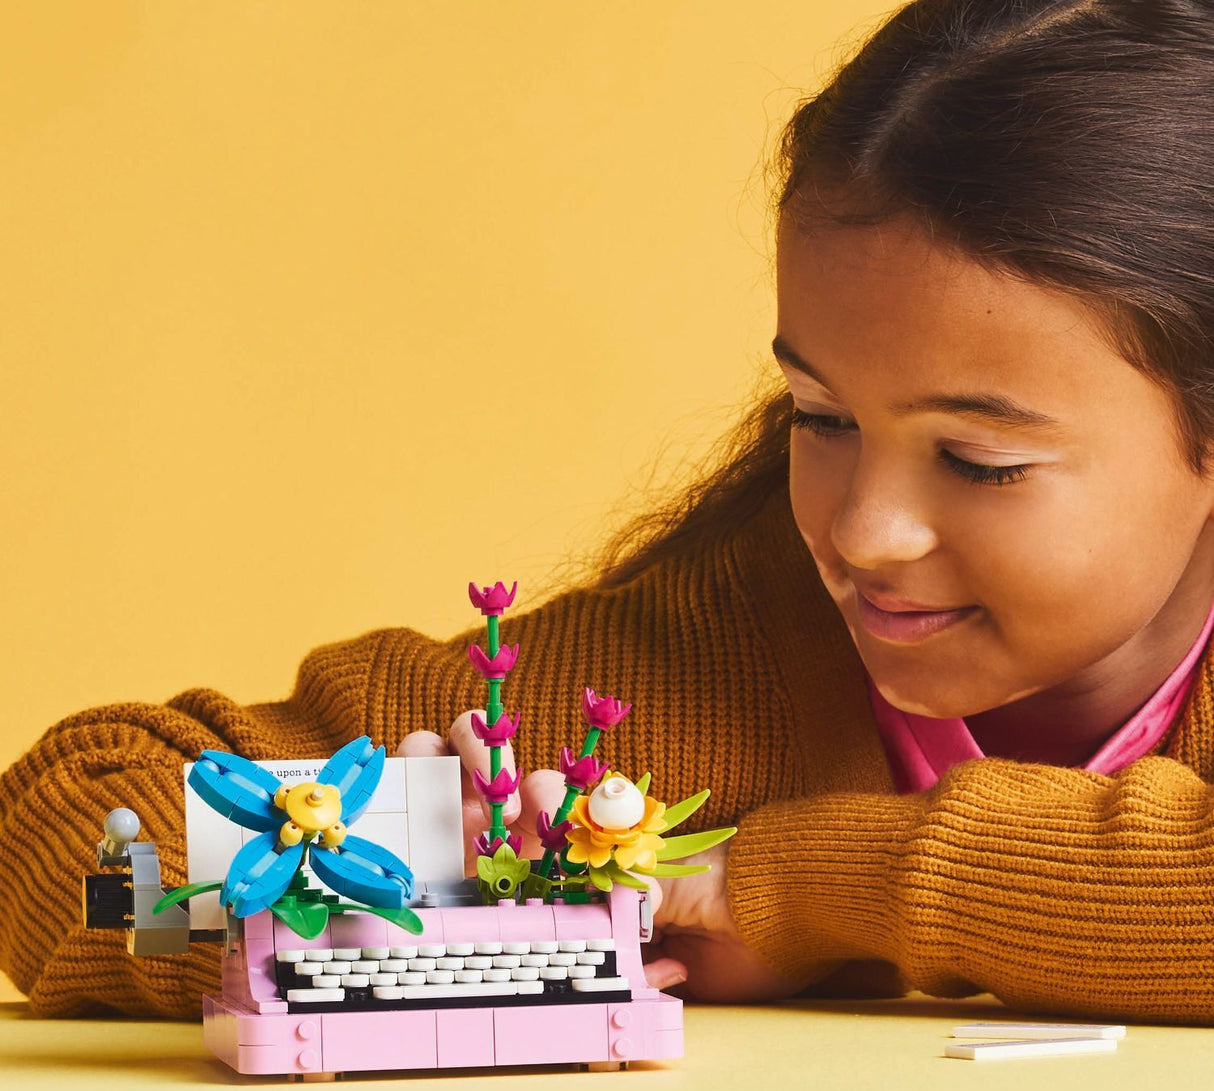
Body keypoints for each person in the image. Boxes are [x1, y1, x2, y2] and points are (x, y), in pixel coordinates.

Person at [5, 0, 1214, 1023]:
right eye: (821, 417)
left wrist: (782, 884)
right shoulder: (672, 688)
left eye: (977, 457)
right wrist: (327, 921)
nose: (860, 532)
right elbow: (70, 813)